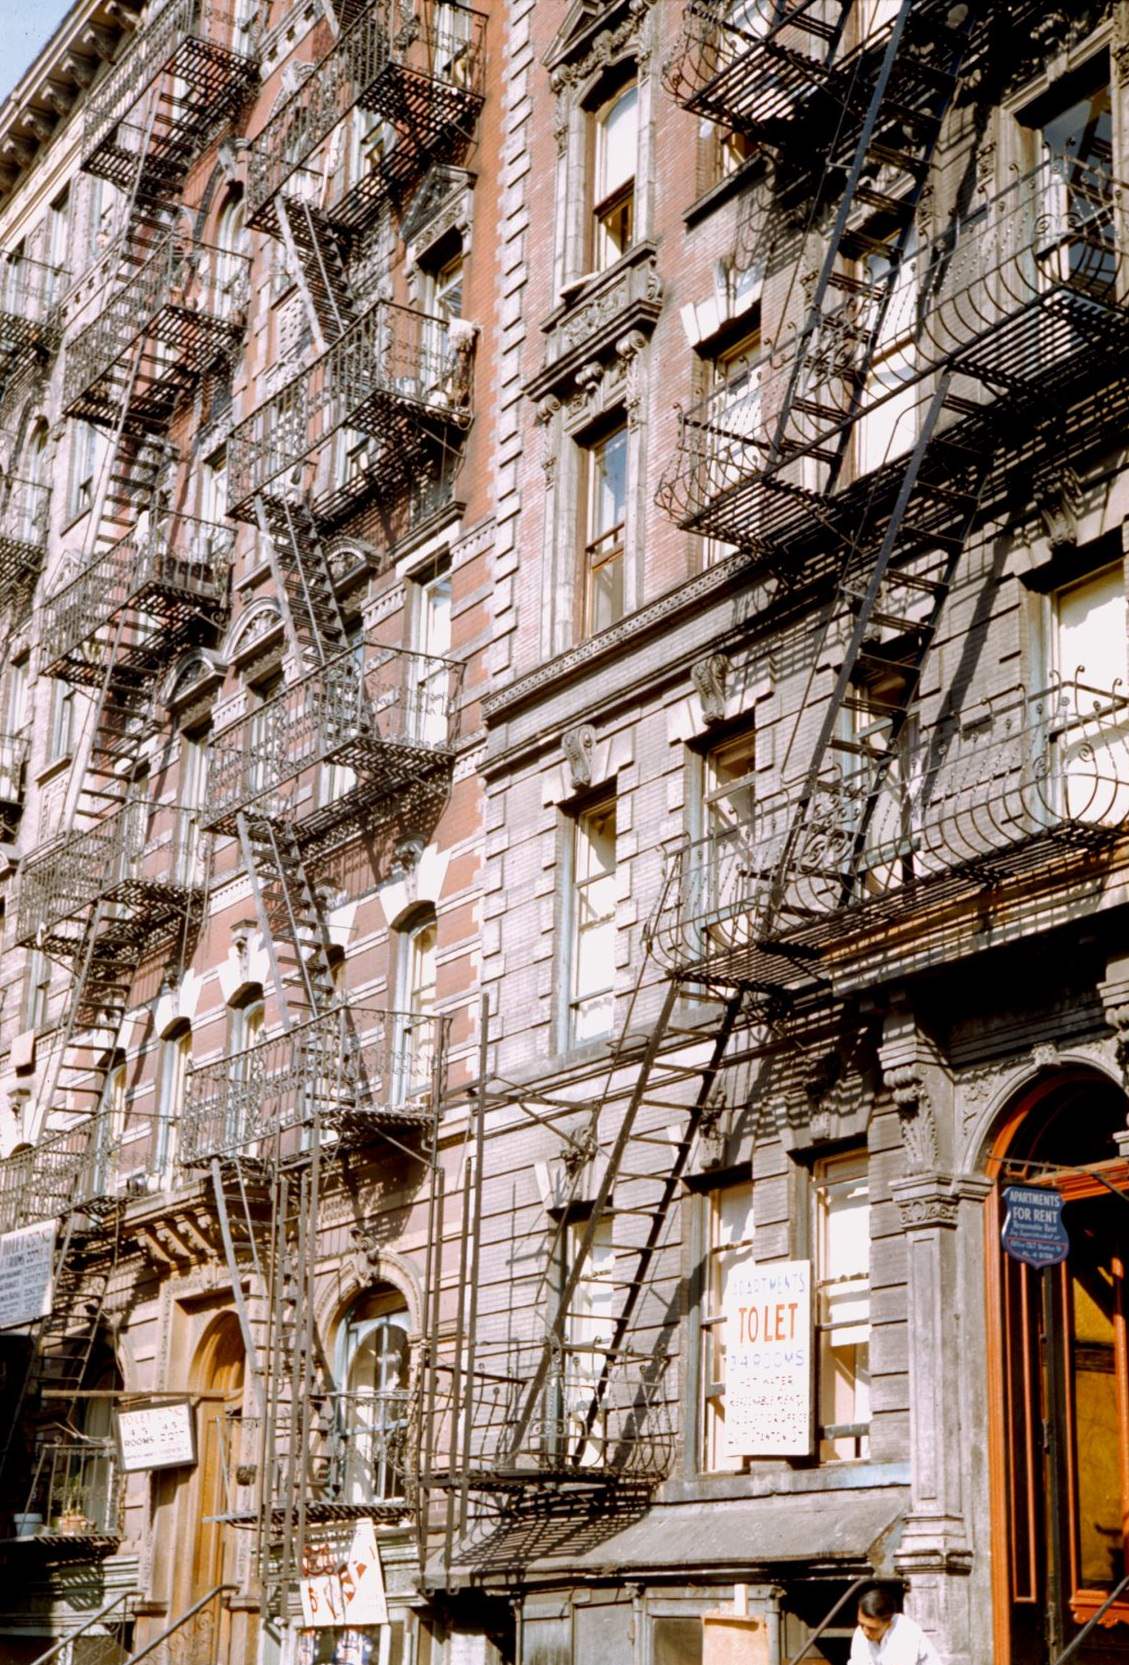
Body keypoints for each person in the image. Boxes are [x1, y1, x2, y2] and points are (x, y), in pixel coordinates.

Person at [849, 1587, 942, 1664]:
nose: (865, 1632)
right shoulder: (860, 1632)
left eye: (872, 1628)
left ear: (889, 1623)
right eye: (861, 1624)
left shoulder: (905, 1631)